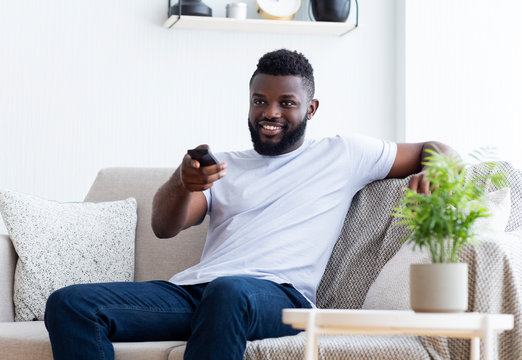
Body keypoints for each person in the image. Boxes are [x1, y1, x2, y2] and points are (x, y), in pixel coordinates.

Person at [44, 49, 457, 360]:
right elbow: (164, 226)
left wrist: (440, 168)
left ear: (311, 108)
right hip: (197, 294)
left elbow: (433, 147)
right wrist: (182, 181)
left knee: (230, 291)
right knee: (71, 303)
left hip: (279, 298)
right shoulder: (223, 166)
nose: (270, 112)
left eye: (286, 103)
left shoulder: (343, 154)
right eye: (260, 101)